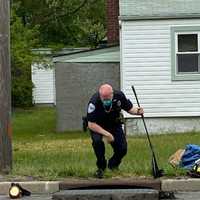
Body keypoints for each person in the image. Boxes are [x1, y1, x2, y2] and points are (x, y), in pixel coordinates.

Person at [87, 83, 144, 178]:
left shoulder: (119, 96)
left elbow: (129, 109)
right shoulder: (94, 102)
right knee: (97, 142)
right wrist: (107, 134)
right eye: (103, 98)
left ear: (112, 94)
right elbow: (91, 124)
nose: (105, 100)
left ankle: (113, 165)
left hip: (114, 124)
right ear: (100, 95)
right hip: (97, 125)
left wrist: (138, 111)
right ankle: (101, 168)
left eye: (107, 98)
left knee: (122, 149)